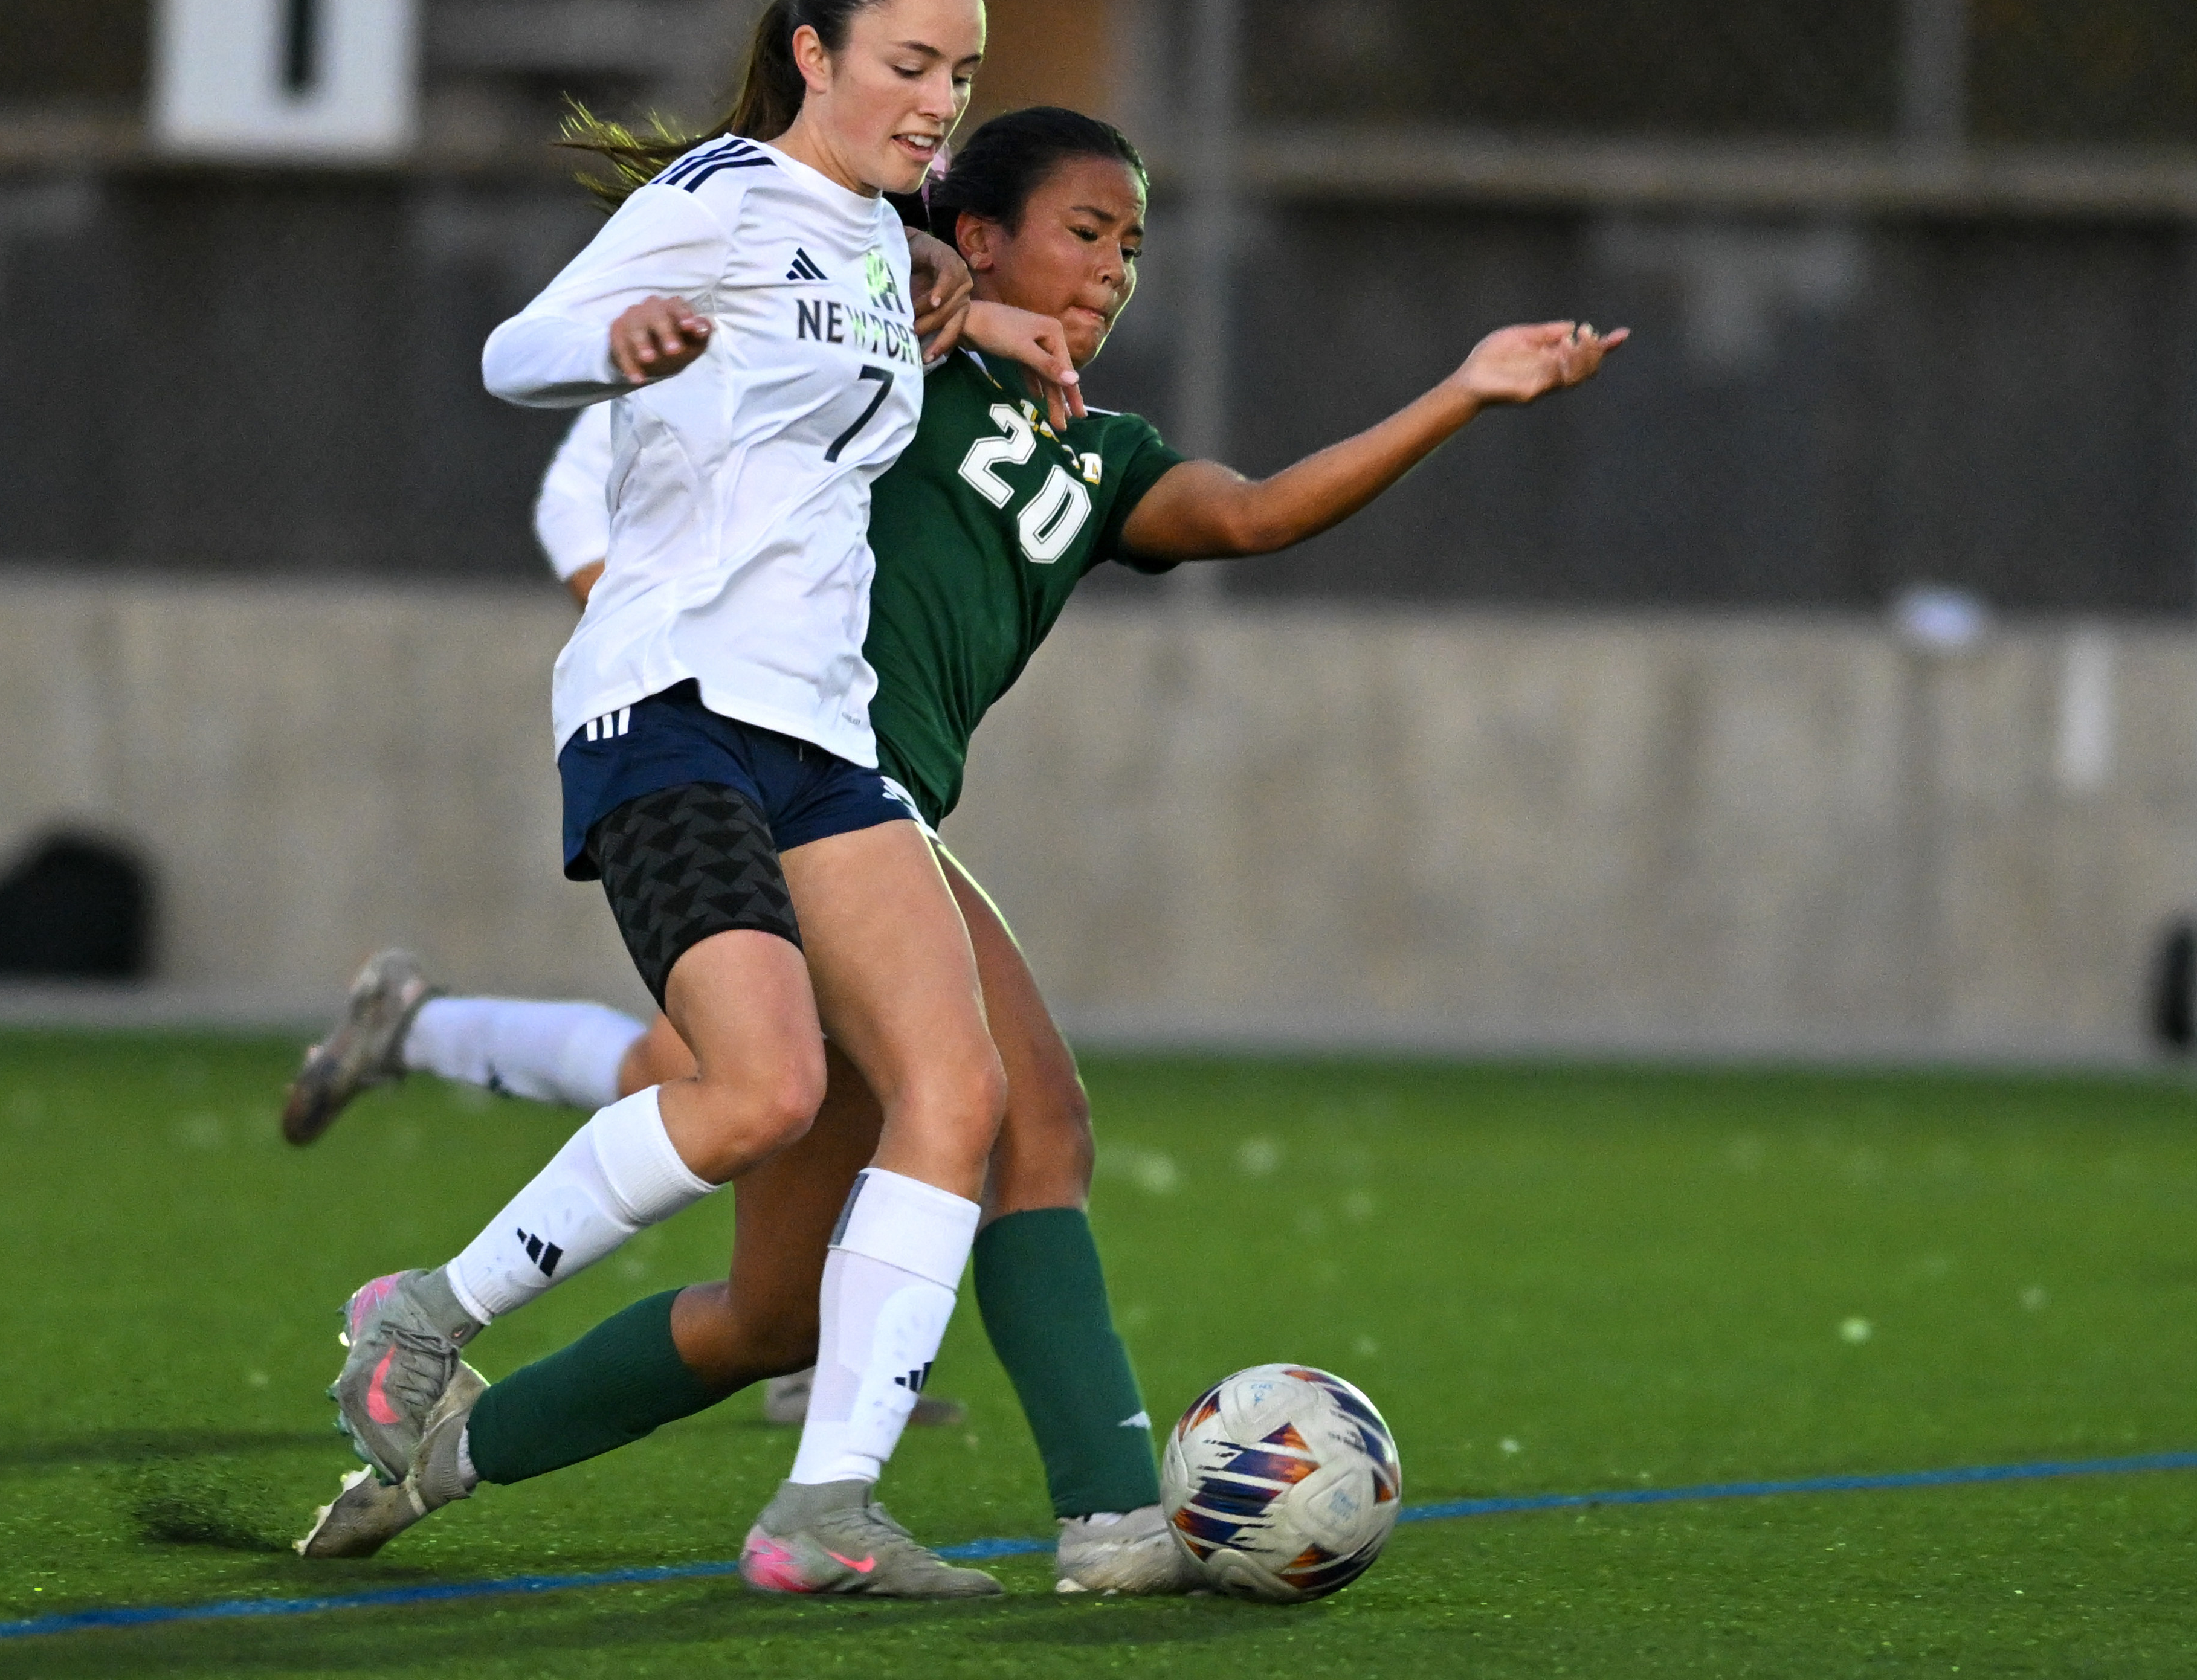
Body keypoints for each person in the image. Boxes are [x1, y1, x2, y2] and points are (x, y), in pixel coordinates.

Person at [291, 103, 1625, 1592]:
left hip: (863, 819)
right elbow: (808, 263)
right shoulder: (891, 360)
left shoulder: (1102, 452)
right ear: (973, 238)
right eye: (1085, 230)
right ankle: (1108, 1515)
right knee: (1030, 1120)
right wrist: (929, 278)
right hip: (804, 781)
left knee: (772, 1313)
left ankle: (435, 1462)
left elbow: (1253, 516)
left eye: (1132, 244)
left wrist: (1462, 391)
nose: (1114, 267)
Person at [300, 0, 1111, 1602]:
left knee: (959, 1094)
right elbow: (512, 348)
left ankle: (826, 1508)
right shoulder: (717, 195)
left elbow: (857, 330)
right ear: (813, 54)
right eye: (908, 65)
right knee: (761, 1094)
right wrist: (614, 346)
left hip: (821, 733)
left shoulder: (885, 242)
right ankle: (427, 1318)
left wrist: (980, 318)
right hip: (669, 709)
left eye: (960, 76)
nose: (938, 103)